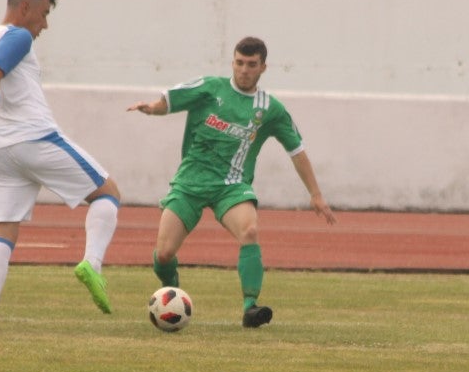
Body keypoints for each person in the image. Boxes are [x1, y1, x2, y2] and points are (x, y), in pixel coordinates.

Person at [0, 0, 121, 331]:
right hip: (34, 138)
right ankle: (93, 265)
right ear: (24, 8)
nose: (45, 25)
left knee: (1, 234)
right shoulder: (18, 36)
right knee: (107, 193)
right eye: (43, 15)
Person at [127, 36, 336, 327]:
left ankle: (251, 308)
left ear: (263, 67)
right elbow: (170, 100)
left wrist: (315, 194)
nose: (244, 70)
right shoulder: (211, 88)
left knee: (249, 230)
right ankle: (172, 294)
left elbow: (296, 151)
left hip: (232, 186)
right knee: (163, 254)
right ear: (233, 62)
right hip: (190, 182)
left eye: (252, 65)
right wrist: (151, 107)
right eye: (239, 63)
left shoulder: (270, 109)